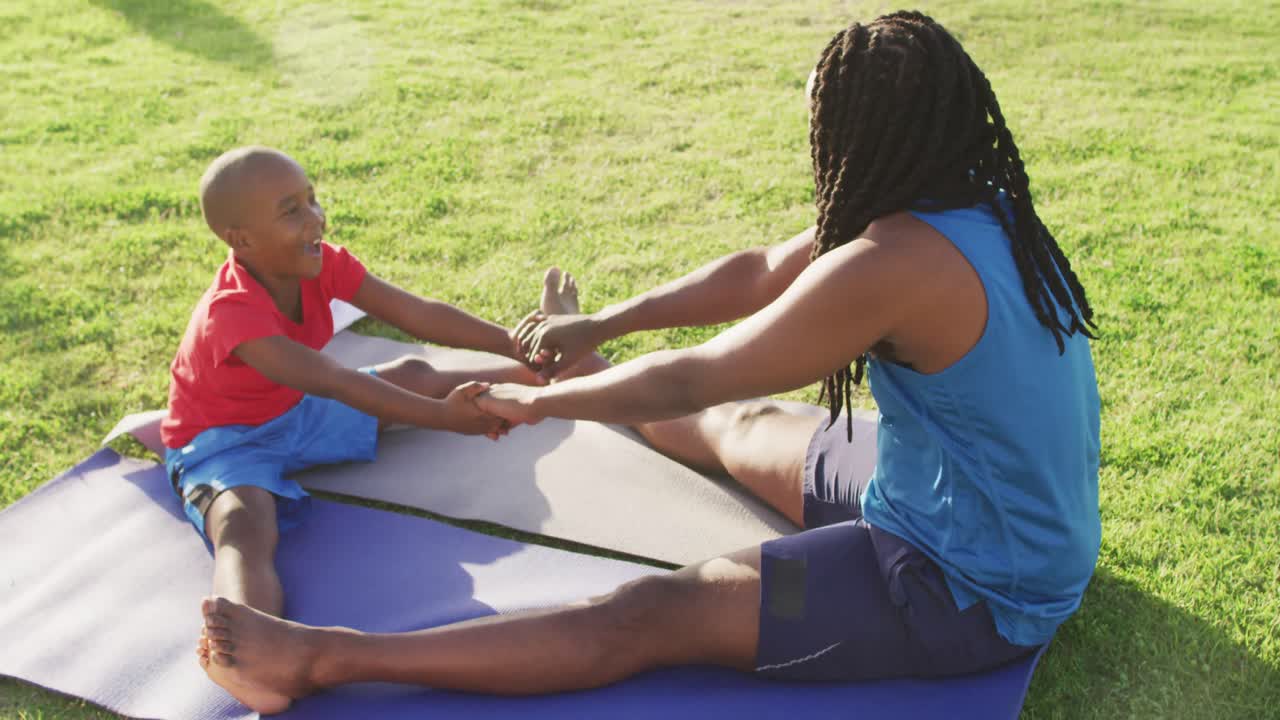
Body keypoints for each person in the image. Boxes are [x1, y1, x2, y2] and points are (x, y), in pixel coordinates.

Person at [194, 12, 1101, 713]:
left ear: (861, 136)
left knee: (647, 614)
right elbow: (758, 273)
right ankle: (582, 384)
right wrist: (600, 326)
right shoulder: (960, 201)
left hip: (970, 583)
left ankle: (322, 657)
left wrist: (545, 403)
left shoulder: (891, 265)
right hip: (941, 489)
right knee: (735, 431)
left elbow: (699, 374)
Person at [164, 146, 544, 707]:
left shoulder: (321, 261)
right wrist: (444, 417)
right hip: (223, 441)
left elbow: (416, 312)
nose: (316, 219)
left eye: (313, 199)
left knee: (413, 370)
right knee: (244, 525)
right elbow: (333, 380)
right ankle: (249, 657)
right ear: (241, 239)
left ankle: (541, 372)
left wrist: (512, 342)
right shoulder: (232, 312)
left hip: (295, 410)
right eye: (291, 210)